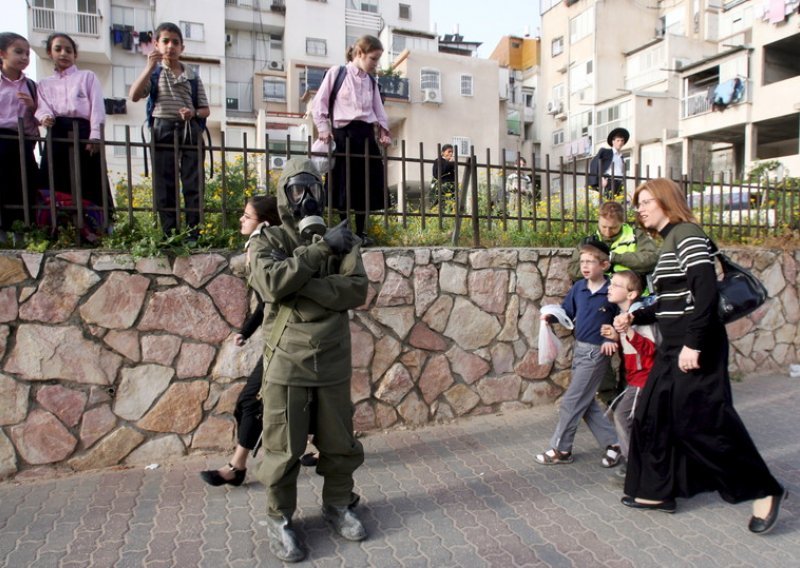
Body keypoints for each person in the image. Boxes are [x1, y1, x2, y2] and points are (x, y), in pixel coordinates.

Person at [614, 178, 785, 533]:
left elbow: (704, 290)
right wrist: (636, 315)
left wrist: (694, 344)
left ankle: (764, 489)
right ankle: (657, 490)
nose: (640, 208)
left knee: (705, 421)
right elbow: (669, 300)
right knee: (652, 414)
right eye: (638, 203)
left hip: (695, 345)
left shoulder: (688, 233)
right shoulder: (670, 242)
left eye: (646, 201)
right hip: (672, 346)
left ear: (666, 201)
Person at [247, 157, 369, 562]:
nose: (305, 198)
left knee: (339, 443)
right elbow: (271, 283)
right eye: (296, 190)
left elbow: (354, 291)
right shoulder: (268, 241)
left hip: (332, 359)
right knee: (283, 448)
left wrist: (299, 285)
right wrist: (318, 253)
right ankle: (280, 518)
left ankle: (338, 504)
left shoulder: (343, 238)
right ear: (283, 195)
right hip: (286, 361)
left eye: (311, 189)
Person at [200, 196, 282, 487]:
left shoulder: (270, 253)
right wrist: (245, 331)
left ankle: (237, 467)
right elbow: (265, 303)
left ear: (265, 224)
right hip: (280, 341)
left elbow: (274, 298)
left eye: (247, 216)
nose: (241, 220)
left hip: (287, 343)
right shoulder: (262, 251)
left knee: (251, 400)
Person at [535, 241, 621, 468]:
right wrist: (551, 317)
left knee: (571, 402)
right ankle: (615, 444)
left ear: (604, 264)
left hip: (596, 355)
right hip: (580, 351)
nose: (584, 266)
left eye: (590, 262)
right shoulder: (578, 288)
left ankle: (561, 449)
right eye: (582, 261)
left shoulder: (611, 291)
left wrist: (612, 337)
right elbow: (567, 312)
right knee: (586, 404)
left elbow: (623, 319)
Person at [567, 201, 658, 405]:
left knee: (632, 349)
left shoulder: (635, 236)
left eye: (613, 228)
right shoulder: (589, 241)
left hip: (631, 303)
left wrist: (615, 257)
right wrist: (599, 266)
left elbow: (652, 258)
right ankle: (611, 400)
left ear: (622, 223)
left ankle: (630, 393)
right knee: (599, 348)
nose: (607, 232)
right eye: (604, 226)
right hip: (600, 303)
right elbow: (573, 268)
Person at [129, 22, 210, 238]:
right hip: (162, 126)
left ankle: (195, 233)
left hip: (189, 129)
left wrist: (192, 113)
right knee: (165, 183)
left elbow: (205, 109)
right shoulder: (154, 73)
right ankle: (168, 234)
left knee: (194, 182)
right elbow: (134, 95)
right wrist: (148, 67)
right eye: (165, 41)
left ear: (182, 47)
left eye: (175, 42)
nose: (170, 46)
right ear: (156, 44)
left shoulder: (192, 75)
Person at [311, 34, 392, 246]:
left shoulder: (372, 82)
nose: (376, 64)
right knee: (343, 184)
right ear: (359, 54)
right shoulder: (337, 73)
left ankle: (362, 232)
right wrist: (322, 127)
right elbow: (319, 103)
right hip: (343, 133)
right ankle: (344, 231)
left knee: (366, 184)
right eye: (373, 59)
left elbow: (379, 110)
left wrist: (383, 132)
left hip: (365, 135)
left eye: (377, 60)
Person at [35, 32, 113, 236]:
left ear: (75, 55)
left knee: (91, 179)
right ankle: (58, 229)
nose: (64, 53)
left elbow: (97, 107)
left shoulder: (86, 77)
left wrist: (95, 135)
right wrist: (44, 116)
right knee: (56, 179)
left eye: (68, 50)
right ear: (50, 53)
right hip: (57, 131)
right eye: (58, 49)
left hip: (84, 131)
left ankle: (96, 229)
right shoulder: (44, 84)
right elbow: (41, 106)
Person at [600, 270, 656, 474]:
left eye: (615, 285)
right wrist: (616, 336)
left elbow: (651, 349)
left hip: (644, 379)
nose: (609, 288)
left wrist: (628, 331)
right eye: (610, 284)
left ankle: (634, 465)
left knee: (622, 416)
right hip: (635, 379)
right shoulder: (621, 316)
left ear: (631, 294)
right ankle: (637, 462)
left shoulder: (639, 317)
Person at [0, 32, 38, 238]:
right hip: (2, 140)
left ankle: (22, 234)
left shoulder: (30, 86)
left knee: (23, 189)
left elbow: (39, 117)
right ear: (2, 54)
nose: (24, 57)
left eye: (27, 53)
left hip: (23, 142)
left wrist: (33, 107)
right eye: (18, 52)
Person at [588, 127, 628, 199]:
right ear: (613, 142)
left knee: (620, 204)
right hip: (609, 181)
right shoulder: (606, 152)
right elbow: (594, 163)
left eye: (622, 141)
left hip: (620, 182)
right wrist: (601, 178)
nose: (620, 143)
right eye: (618, 140)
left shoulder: (622, 157)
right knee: (609, 203)